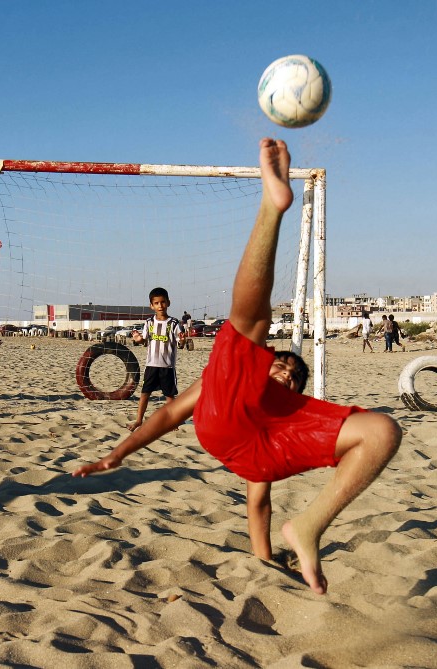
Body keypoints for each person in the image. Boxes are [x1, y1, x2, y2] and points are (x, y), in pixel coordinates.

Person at [74, 138, 402, 595]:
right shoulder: (233, 376)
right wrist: (120, 452)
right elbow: (170, 414)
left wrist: (264, 559)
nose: (285, 370)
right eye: (280, 365)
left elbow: (258, 506)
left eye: (293, 374)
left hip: (266, 440)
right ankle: (272, 206)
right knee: (253, 321)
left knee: (382, 431)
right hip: (225, 418)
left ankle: (307, 529)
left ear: (299, 388)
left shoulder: (288, 418)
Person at [126, 288, 186, 431]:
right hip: (151, 365)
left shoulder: (174, 323)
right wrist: (139, 339)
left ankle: (173, 422)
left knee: (169, 396)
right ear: (151, 306)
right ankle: (139, 420)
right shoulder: (149, 323)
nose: (160, 306)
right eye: (157, 303)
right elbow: (145, 341)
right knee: (145, 393)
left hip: (167, 367)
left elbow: (180, 344)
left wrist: (183, 341)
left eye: (163, 302)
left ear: (168, 303)